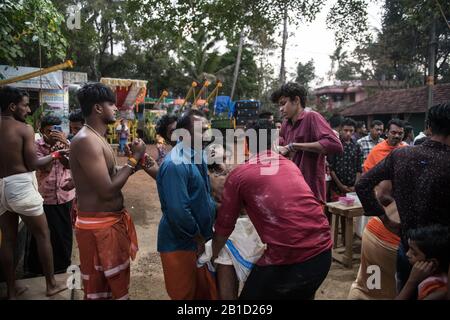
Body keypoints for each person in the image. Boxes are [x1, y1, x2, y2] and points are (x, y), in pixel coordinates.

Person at [212, 119, 332, 300]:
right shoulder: (290, 166)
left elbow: (224, 226)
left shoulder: (239, 175)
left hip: (290, 260)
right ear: (275, 141)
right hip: (323, 254)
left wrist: (213, 255)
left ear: (246, 143)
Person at [356, 102, 450, 296]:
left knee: (403, 290)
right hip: (440, 260)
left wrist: (385, 219)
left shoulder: (401, 154)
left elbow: (362, 184)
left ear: (429, 127)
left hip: (408, 249)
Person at [69, 82, 146, 300]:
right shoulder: (86, 140)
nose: (116, 108)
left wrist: (135, 164)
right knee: (99, 291)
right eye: (111, 104)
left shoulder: (96, 138)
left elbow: (110, 176)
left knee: (113, 289)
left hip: (107, 223)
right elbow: (107, 189)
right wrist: (133, 160)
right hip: (97, 228)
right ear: (98, 108)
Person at [0, 86, 66, 299]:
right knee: (42, 234)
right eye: (26, 105)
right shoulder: (24, 129)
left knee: (8, 239)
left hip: (0, 188)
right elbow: (34, 163)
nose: (28, 110)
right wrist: (56, 153)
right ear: (12, 106)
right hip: (20, 186)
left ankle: (11, 290)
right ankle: (51, 285)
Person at [156, 109, 217, 300]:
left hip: (199, 241)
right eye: (202, 130)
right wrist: (197, 237)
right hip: (182, 244)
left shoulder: (198, 156)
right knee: (185, 295)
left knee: (203, 293)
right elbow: (178, 211)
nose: (208, 134)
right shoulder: (176, 164)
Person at [272, 82, 343, 204]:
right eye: (279, 105)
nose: (281, 109)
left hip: (310, 190)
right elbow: (280, 144)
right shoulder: (286, 124)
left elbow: (335, 145)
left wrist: (293, 146)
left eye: (283, 103)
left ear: (296, 100)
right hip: (291, 186)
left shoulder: (312, 117)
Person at [25, 115, 75, 276]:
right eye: (49, 131)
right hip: (46, 196)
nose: (53, 134)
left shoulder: (68, 143)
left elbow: (70, 165)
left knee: (63, 233)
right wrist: (54, 150)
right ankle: (38, 268)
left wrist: (64, 147)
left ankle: (61, 267)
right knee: (43, 234)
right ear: (41, 131)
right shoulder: (36, 145)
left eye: (56, 130)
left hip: (65, 194)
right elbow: (44, 168)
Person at [396, 225, 448, 300]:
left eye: (414, 253)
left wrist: (411, 282)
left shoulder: (433, 288)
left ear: (433, 263)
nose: (407, 254)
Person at [328, 117, 363, 200]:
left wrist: (355, 185)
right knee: (336, 210)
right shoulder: (335, 144)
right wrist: (340, 186)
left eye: (351, 131)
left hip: (352, 188)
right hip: (336, 188)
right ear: (340, 129)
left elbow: (359, 168)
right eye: (346, 130)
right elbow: (331, 168)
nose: (348, 133)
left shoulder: (356, 146)